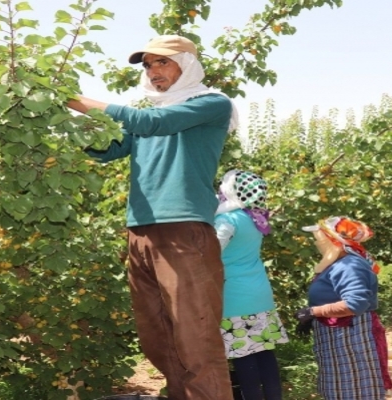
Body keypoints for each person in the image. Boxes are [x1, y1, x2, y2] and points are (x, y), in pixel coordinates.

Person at [66, 35, 239, 399]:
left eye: (162, 62)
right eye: (147, 65)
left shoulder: (211, 104)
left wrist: (72, 99)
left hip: (183, 230)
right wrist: (56, 119)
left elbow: (150, 123)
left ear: (187, 64)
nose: (153, 71)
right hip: (140, 232)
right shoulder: (150, 115)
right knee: (157, 338)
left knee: (196, 338)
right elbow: (108, 149)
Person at [294, 216, 392, 400]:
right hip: (341, 337)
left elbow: (355, 304)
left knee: (357, 391)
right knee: (342, 391)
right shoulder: (340, 263)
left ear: (333, 241)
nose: (317, 244)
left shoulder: (349, 265)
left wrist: (314, 312)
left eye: (319, 239)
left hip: (352, 338)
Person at [214, 170, 288, 400]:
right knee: (265, 354)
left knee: (244, 358)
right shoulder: (254, 218)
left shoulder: (227, 220)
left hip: (235, 296)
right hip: (259, 293)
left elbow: (211, 251)